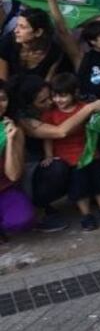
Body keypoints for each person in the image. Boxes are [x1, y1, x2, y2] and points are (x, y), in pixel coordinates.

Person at [42, 74, 100, 231]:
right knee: (79, 189)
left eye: (63, 95)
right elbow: (48, 138)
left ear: (74, 93)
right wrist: (49, 155)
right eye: (55, 96)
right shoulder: (49, 115)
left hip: (92, 154)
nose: (58, 100)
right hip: (68, 159)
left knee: (99, 184)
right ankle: (86, 215)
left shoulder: (84, 108)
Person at [0, 81, 33, 237]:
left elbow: (13, 175)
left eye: (3, 99)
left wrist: (10, 141)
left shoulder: (13, 129)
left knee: (21, 221)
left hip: (4, 190)